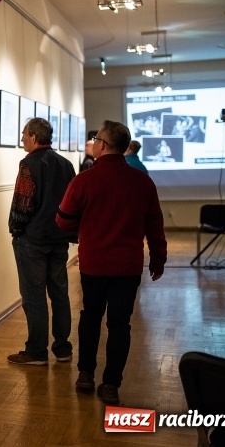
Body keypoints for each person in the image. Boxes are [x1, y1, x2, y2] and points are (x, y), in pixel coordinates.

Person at [56, 120, 166, 406]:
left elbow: (63, 220)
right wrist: (158, 258)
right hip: (127, 266)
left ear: (102, 145)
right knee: (120, 325)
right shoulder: (142, 181)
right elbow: (154, 224)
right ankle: (111, 385)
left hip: (94, 264)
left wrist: (84, 227)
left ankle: (85, 375)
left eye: (95, 140)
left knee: (90, 317)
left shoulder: (84, 180)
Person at [7, 117, 77, 366]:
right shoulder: (66, 165)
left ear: (35, 137)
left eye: (24, 134)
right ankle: (62, 348)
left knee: (34, 296)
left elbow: (23, 203)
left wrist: (15, 228)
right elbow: (73, 204)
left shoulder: (29, 164)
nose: (22, 138)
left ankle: (37, 351)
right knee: (60, 294)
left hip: (33, 241)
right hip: (59, 239)